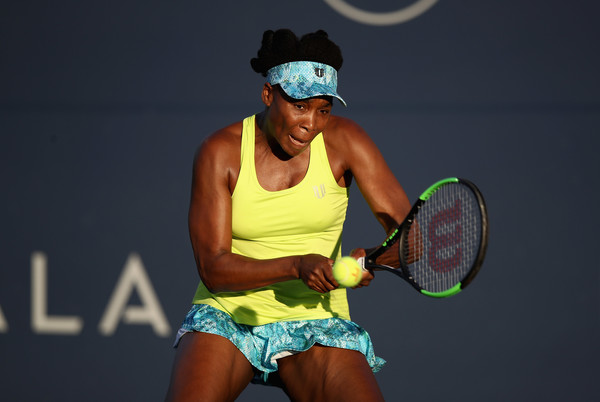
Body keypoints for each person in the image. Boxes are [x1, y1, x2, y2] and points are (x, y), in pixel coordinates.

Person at [165, 28, 411, 402]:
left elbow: (413, 238)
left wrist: (373, 259)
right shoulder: (220, 151)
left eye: (323, 110)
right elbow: (213, 269)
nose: (310, 123)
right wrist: (297, 266)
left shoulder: (347, 141)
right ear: (268, 95)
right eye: (299, 105)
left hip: (318, 322)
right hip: (229, 317)